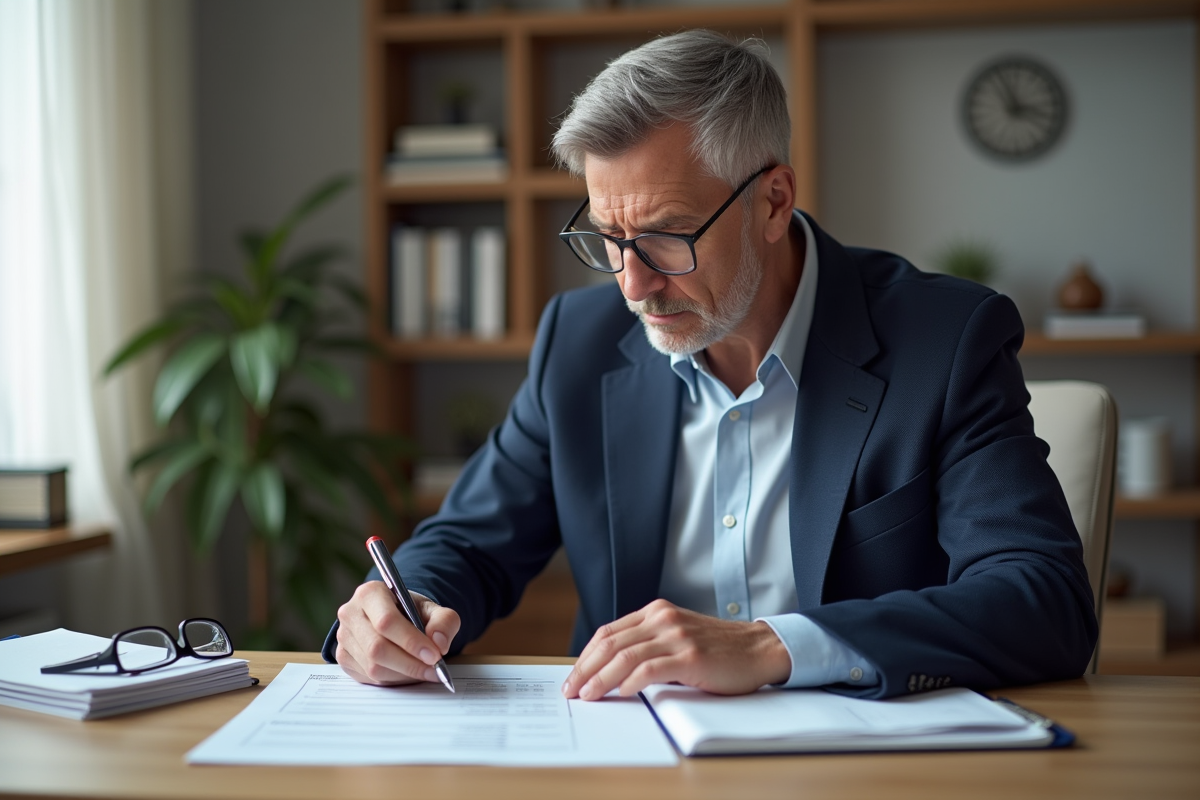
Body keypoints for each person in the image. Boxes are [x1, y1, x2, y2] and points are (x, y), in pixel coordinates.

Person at [325, 29, 1097, 701]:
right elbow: (467, 543)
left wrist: (772, 645)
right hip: (625, 760)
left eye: (665, 237)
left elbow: (1044, 602)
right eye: (607, 238)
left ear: (772, 202)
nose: (632, 284)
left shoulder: (947, 338)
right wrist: (402, 605)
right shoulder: (578, 340)